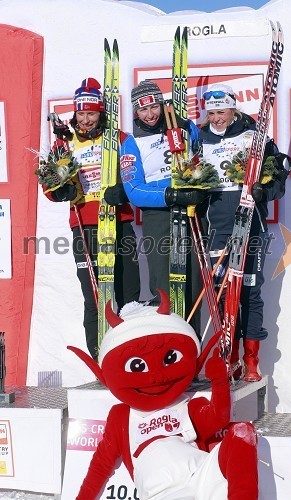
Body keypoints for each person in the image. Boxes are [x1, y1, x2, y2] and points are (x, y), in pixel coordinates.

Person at [68, 289, 259, 500]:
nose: (156, 377)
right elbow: (101, 466)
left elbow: (218, 419)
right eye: (138, 366)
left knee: (242, 431)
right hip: (162, 491)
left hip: (202, 474)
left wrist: (219, 382)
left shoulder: (187, 404)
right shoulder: (122, 417)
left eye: (169, 358)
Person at [43, 78, 140, 360]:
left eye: (92, 113)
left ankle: (132, 353)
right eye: (81, 114)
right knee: (95, 293)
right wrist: (62, 191)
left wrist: (123, 190)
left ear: (102, 113)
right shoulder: (64, 144)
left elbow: (135, 177)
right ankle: (101, 355)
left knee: (127, 291)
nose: (85, 120)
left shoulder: (120, 139)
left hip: (117, 220)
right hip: (84, 225)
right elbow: (48, 186)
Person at [199, 83, 291, 381]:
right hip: (218, 229)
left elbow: (278, 173)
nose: (216, 118)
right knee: (223, 293)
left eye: (221, 111)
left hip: (251, 226)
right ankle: (231, 357)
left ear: (233, 109)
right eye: (211, 113)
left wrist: (263, 191)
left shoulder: (255, 136)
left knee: (250, 291)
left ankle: (251, 361)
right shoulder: (199, 140)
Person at [119, 80, 207, 338]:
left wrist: (188, 131)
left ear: (162, 104)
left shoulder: (184, 126)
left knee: (193, 282)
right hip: (158, 215)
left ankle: (192, 349)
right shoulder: (131, 141)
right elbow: (134, 191)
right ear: (136, 111)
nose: (150, 115)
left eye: (154, 107)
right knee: (164, 284)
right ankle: (167, 346)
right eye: (143, 110)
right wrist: (170, 194)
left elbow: (203, 154)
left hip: (189, 209)